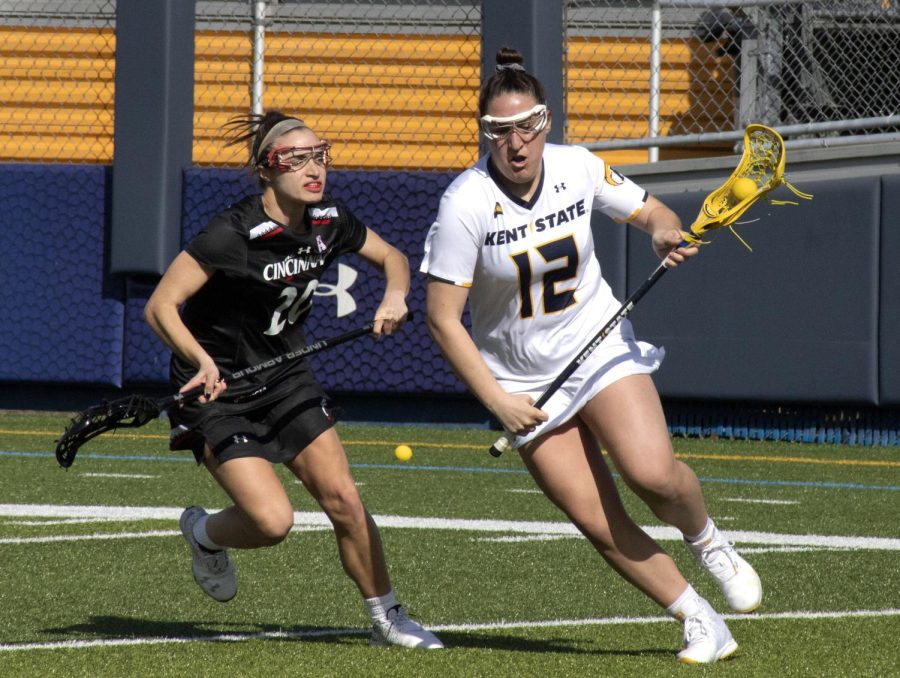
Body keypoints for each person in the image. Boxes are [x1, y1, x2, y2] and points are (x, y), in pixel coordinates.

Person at [421, 47, 761, 664]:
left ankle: (707, 538)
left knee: (651, 473)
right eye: (500, 131)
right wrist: (497, 399)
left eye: (528, 126)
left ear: (546, 122)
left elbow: (653, 212)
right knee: (598, 519)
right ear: (485, 134)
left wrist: (661, 229)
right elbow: (443, 319)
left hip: (597, 344)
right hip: (520, 381)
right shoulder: (463, 203)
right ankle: (700, 619)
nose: (516, 143)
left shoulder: (576, 166)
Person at [144, 110, 442, 650]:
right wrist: (202, 362)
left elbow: (393, 257)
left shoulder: (330, 220)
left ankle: (388, 618)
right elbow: (161, 306)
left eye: (320, 156)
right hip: (217, 391)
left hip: (287, 379)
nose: (314, 170)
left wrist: (395, 294)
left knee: (345, 500)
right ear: (266, 170)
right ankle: (203, 533)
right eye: (296, 160)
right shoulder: (231, 232)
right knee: (272, 522)